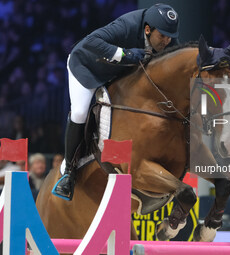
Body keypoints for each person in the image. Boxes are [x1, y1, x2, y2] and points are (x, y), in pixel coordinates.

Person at [52, 3, 180, 201]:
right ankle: (69, 172)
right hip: (87, 68)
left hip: (116, 73)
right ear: (147, 29)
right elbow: (91, 43)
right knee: (79, 112)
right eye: (162, 36)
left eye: (169, 36)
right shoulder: (127, 25)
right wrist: (125, 54)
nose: (166, 40)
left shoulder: (166, 39)